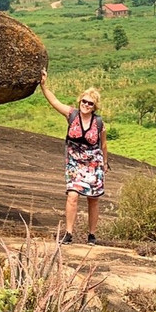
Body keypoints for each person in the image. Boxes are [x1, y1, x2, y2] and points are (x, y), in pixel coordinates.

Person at [39, 69, 108, 245]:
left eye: (90, 103)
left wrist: (105, 164)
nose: (86, 104)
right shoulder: (71, 114)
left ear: (95, 106)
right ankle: (68, 233)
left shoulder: (99, 123)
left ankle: (92, 235)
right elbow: (54, 101)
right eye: (84, 101)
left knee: (93, 199)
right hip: (74, 162)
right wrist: (43, 85)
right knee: (72, 195)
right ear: (80, 101)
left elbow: (104, 144)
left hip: (93, 162)